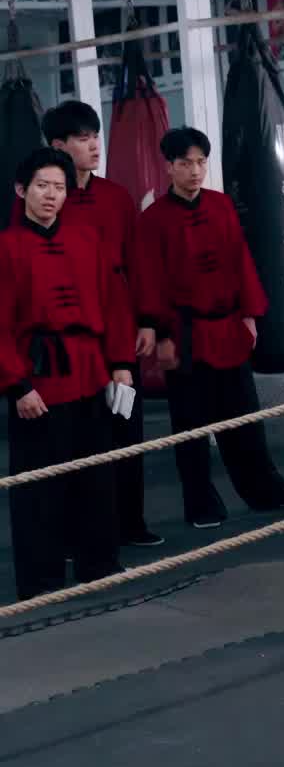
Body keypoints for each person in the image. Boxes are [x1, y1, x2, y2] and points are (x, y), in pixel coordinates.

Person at [135, 126, 284, 528]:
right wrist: (162, 335)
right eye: (186, 163)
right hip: (185, 334)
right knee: (190, 425)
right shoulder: (153, 220)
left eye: (201, 162)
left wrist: (250, 315)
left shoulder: (220, 206)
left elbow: (241, 261)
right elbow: (149, 279)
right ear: (169, 167)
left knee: (244, 417)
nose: (195, 171)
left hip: (229, 327)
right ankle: (200, 503)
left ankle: (265, 490)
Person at [0, 148, 132, 600]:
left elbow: (114, 302)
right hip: (38, 378)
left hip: (90, 370)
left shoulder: (86, 239)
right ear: (21, 190)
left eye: (59, 187)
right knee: (38, 484)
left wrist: (121, 363)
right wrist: (18, 384)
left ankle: (100, 563)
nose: (51, 195)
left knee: (96, 476)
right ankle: (41, 579)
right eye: (42, 186)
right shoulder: (6, 247)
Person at [34, 101, 163, 548]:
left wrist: (147, 321)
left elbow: (138, 262)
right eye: (83, 138)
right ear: (58, 146)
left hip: (120, 325)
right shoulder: (45, 200)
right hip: (70, 333)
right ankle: (78, 534)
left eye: (96, 137)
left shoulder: (116, 196)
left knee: (126, 425)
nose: (94, 146)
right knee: (77, 436)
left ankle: (130, 522)